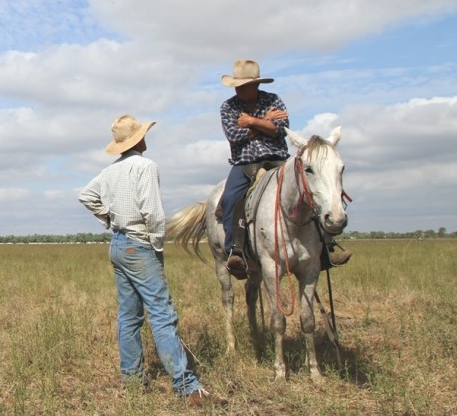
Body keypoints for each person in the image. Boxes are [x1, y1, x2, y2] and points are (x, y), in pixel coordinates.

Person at [79, 114, 223, 408]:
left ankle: (132, 380)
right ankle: (187, 387)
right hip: (140, 245)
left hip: (118, 244)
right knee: (162, 315)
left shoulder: (110, 171)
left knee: (129, 316)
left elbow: (86, 195)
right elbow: (153, 213)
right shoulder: (146, 166)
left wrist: (106, 217)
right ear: (139, 139)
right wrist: (156, 242)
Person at [218, 59, 351, 274]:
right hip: (245, 162)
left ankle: (326, 247)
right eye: (237, 85)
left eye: (243, 85)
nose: (239, 89)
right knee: (231, 198)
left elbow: (280, 130)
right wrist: (264, 121)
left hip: (278, 158)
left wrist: (250, 122)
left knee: (310, 190)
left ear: (256, 84)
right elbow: (235, 136)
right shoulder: (228, 106)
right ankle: (235, 250)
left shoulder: (274, 100)